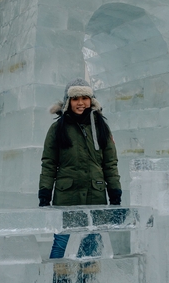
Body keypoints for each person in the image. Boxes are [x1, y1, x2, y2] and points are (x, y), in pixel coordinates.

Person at [38, 78, 122, 258]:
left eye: (85, 98)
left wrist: (115, 192)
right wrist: (45, 193)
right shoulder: (57, 129)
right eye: (76, 98)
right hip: (67, 196)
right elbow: (49, 163)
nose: (81, 103)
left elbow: (109, 163)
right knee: (62, 245)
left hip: (95, 195)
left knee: (90, 248)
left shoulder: (101, 128)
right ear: (68, 101)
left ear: (92, 100)